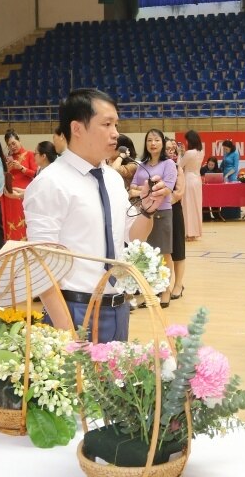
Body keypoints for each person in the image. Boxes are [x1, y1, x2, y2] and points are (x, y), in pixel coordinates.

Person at [24, 88, 169, 343]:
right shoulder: (50, 183)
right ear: (77, 128)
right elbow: (41, 266)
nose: (115, 133)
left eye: (116, 124)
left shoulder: (112, 178)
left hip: (118, 307)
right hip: (74, 309)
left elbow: (133, 237)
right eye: (107, 124)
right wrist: (69, 334)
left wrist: (148, 208)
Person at [131, 129, 178, 308]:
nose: (153, 143)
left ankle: (165, 290)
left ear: (162, 143)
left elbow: (168, 188)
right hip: (142, 213)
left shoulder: (168, 164)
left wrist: (145, 191)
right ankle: (149, 292)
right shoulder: (142, 164)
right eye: (149, 140)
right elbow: (132, 188)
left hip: (162, 212)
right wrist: (144, 191)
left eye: (156, 140)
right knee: (146, 255)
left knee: (165, 253)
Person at [2, 129, 37, 240]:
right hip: (10, 197)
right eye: (9, 145)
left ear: (19, 140)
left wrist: (21, 168)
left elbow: (36, 174)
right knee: (11, 225)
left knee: (25, 225)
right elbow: (2, 178)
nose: (12, 146)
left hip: (24, 196)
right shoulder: (7, 159)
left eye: (14, 143)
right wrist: (6, 170)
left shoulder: (30, 154)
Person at [166, 138, 187, 301]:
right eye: (167, 148)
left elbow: (178, 193)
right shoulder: (153, 166)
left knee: (177, 249)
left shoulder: (176, 167)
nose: (170, 151)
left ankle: (178, 284)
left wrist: (159, 199)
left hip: (173, 210)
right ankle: (163, 286)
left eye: (172, 149)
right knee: (162, 252)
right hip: (156, 212)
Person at [181, 130, 203, 240]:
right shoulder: (201, 151)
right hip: (197, 179)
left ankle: (189, 232)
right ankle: (195, 231)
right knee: (196, 206)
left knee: (188, 206)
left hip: (188, 179)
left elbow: (180, 165)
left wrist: (181, 154)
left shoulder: (189, 153)